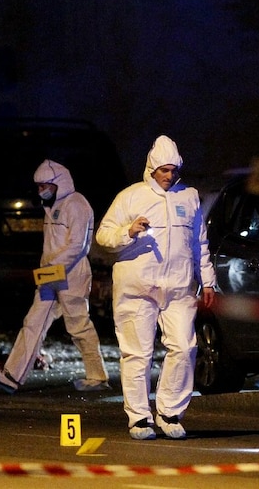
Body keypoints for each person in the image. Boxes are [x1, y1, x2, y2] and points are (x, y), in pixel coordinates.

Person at [94, 135, 219, 440]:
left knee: (185, 347)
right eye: (163, 170)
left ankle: (169, 412)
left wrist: (208, 280)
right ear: (152, 168)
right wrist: (129, 231)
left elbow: (199, 242)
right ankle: (138, 418)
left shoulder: (189, 197)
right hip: (137, 286)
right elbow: (103, 236)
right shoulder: (131, 197)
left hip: (178, 287)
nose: (168, 175)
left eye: (173, 170)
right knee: (137, 353)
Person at [0, 159, 111, 393]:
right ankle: (12, 376)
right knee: (33, 322)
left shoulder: (77, 204)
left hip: (72, 275)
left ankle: (97, 376)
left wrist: (51, 266)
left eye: (45, 186)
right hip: (51, 275)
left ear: (58, 184)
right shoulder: (51, 208)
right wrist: (46, 269)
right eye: (39, 186)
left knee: (78, 326)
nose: (41, 190)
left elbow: (78, 246)